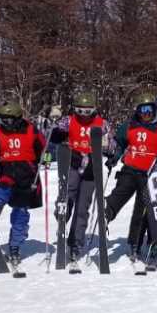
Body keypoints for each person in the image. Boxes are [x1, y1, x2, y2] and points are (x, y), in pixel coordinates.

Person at [103, 92, 157, 267]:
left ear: (154, 109)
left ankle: (134, 243)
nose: (145, 113)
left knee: (141, 211)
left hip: (149, 175)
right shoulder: (129, 125)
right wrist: (115, 156)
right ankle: (107, 212)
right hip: (130, 169)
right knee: (121, 191)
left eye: (149, 109)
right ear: (137, 110)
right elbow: (120, 143)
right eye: (142, 110)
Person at [48, 92, 113, 266]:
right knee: (68, 193)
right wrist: (57, 129)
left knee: (83, 208)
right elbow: (54, 137)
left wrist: (108, 146)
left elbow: (112, 145)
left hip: (92, 168)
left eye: (87, 111)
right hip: (73, 163)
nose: (84, 115)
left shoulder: (102, 123)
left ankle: (76, 243)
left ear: (94, 110)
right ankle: (63, 212)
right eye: (80, 111)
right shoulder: (69, 121)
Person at [0, 102, 47, 265]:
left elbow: (44, 147)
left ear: (18, 118)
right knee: (1, 190)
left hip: (27, 179)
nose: (7, 123)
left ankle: (15, 247)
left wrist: (47, 157)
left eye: (10, 120)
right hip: (7, 174)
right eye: (4, 120)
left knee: (20, 216)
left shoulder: (31, 130)